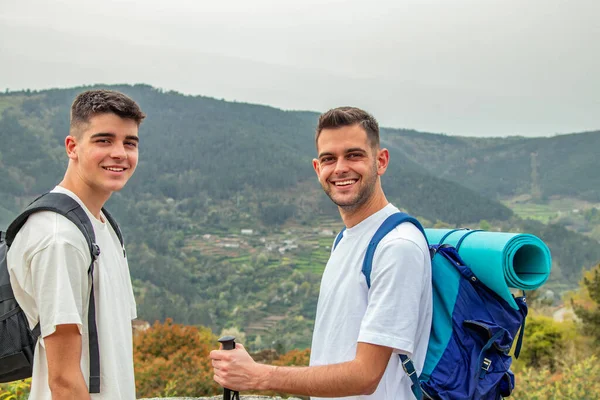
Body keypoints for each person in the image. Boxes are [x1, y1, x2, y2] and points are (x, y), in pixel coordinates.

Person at [210, 107, 433, 400]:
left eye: (354, 155)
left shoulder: (397, 247)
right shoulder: (345, 239)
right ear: (317, 168)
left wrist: (259, 375)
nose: (340, 168)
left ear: (381, 161)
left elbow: (366, 376)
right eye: (329, 158)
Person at [7, 89, 145, 399]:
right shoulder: (59, 238)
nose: (120, 153)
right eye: (103, 140)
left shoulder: (103, 226)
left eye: (130, 142)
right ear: (73, 147)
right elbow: (64, 380)